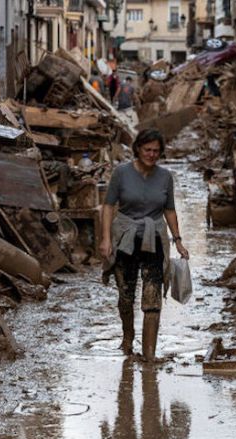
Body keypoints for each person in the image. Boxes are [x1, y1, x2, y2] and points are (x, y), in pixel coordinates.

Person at [99, 129, 190, 361]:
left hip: (154, 239)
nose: (151, 155)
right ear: (138, 149)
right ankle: (128, 336)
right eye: (147, 150)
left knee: (153, 298)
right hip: (125, 239)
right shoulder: (121, 173)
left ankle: (149, 354)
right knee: (126, 295)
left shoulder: (165, 177)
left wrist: (178, 240)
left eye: (156, 151)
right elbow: (109, 206)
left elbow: (169, 209)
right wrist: (106, 238)